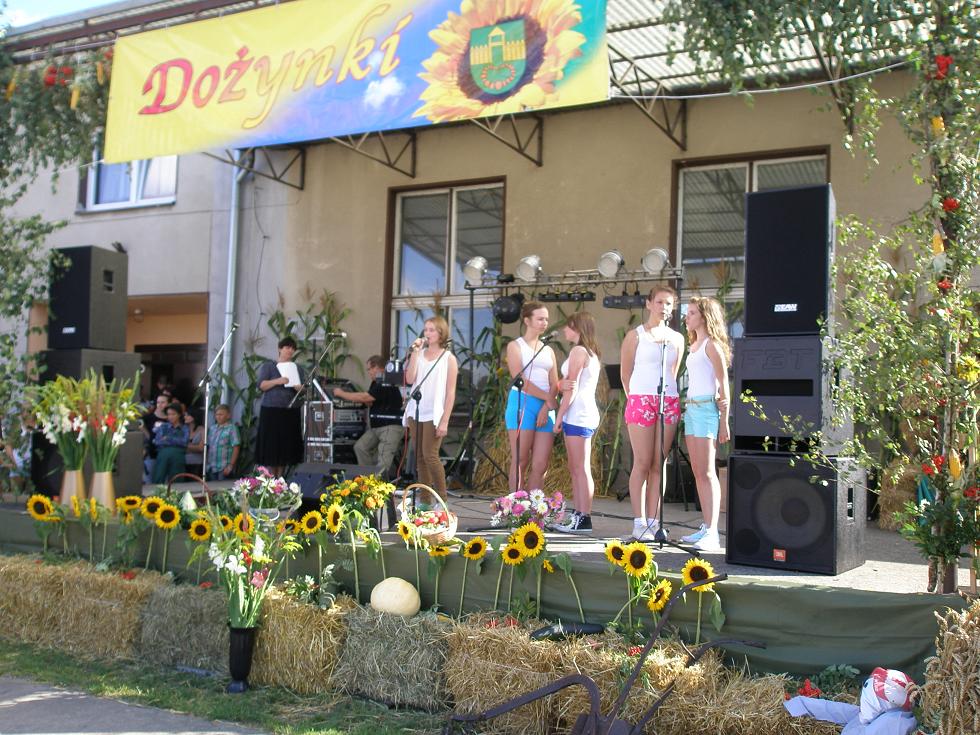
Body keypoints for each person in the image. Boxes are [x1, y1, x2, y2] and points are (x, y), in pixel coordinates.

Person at [620, 285, 685, 542]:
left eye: (668, 303)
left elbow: (673, 371)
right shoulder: (635, 336)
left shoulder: (676, 339)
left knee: (660, 461)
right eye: (659, 302)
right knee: (643, 461)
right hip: (641, 398)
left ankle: (654, 520)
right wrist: (635, 397)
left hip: (668, 399)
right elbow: (625, 373)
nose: (664, 307)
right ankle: (639, 522)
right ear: (648, 304)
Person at [680, 296, 731, 552]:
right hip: (691, 409)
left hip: (706, 410)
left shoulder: (712, 346)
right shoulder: (694, 345)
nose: (687, 317)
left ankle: (713, 532)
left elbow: (723, 384)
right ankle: (706, 525)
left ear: (704, 316)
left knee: (708, 471)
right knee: (698, 471)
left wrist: (724, 422)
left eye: (691, 313)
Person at [552, 312, 602, 534]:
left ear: (578, 328)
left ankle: (584, 517)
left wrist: (559, 416)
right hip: (581, 413)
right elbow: (568, 384)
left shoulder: (579, 351)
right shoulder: (588, 352)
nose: (565, 330)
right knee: (576, 467)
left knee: (580, 468)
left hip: (578, 414)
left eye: (568, 326)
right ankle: (579, 514)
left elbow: (570, 388)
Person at [506, 301, 558, 492]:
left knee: (541, 464)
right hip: (522, 402)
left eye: (546, 319)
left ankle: (535, 506)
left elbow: (555, 382)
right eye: (540, 319)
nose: (544, 323)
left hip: (545, 406)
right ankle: (517, 505)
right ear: (527, 321)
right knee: (521, 459)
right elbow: (519, 378)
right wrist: (547, 398)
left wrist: (546, 405)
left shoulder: (548, 349)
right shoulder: (515, 346)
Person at [403, 316, 458, 498]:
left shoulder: (448, 358)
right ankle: (425, 500)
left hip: (434, 413)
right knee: (420, 457)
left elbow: (450, 392)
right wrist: (415, 353)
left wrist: (445, 420)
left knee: (430, 455)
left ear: (441, 333)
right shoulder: (419, 354)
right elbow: (410, 379)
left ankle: (442, 499)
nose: (427, 333)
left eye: (432, 330)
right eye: (426, 329)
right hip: (416, 410)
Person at [332, 355, 404, 479]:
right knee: (361, 447)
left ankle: (377, 486)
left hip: (389, 426)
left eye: (369, 369)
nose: (369, 372)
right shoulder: (376, 383)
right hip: (377, 426)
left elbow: (366, 397)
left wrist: (341, 393)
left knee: (383, 460)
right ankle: (368, 479)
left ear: (377, 368)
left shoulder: (386, 380)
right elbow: (370, 400)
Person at [255, 336, 305, 477]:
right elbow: (262, 385)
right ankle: (270, 478)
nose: (290, 351)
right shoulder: (269, 366)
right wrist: (278, 381)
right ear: (280, 349)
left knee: (285, 446)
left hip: (290, 410)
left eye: (293, 348)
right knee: (272, 445)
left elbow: (303, 390)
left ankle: (281, 479)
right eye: (287, 347)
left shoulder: (297, 368)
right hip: (271, 410)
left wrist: (300, 388)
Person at [152, 402, 189, 484]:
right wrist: (175, 441)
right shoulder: (163, 427)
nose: (170, 417)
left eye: (173, 414)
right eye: (168, 414)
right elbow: (157, 441)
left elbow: (184, 442)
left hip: (178, 455)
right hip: (163, 454)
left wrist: (168, 439)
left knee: (177, 478)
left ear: (179, 415)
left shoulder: (184, 428)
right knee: (159, 476)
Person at [206, 404, 241, 481]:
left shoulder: (232, 428)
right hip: (211, 467)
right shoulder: (212, 428)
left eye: (221, 414)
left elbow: (236, 448)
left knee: (222, 488)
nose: (218, 417)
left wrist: (230, 466)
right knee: (211, 487)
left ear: (228, 416)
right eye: (217, 414)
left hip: (224, 467)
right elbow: (208, 447)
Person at [142, 393, 170, 483]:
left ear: (168, 404)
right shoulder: (148, 417)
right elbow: (140, 426)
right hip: (152, 452)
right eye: (158, 402)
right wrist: (148, 435)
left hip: (166, 453)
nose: (160, 405)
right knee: (150, 480)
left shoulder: (171, 418)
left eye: (163, 402)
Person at [184, 410, 205, 479]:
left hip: (197, 464)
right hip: (184, 462)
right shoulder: (184, 429)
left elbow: (201, 448)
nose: (185, 417)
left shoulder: (202, 430)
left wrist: (185, 446)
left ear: (194, 417)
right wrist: (194, 447)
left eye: (187, 415)